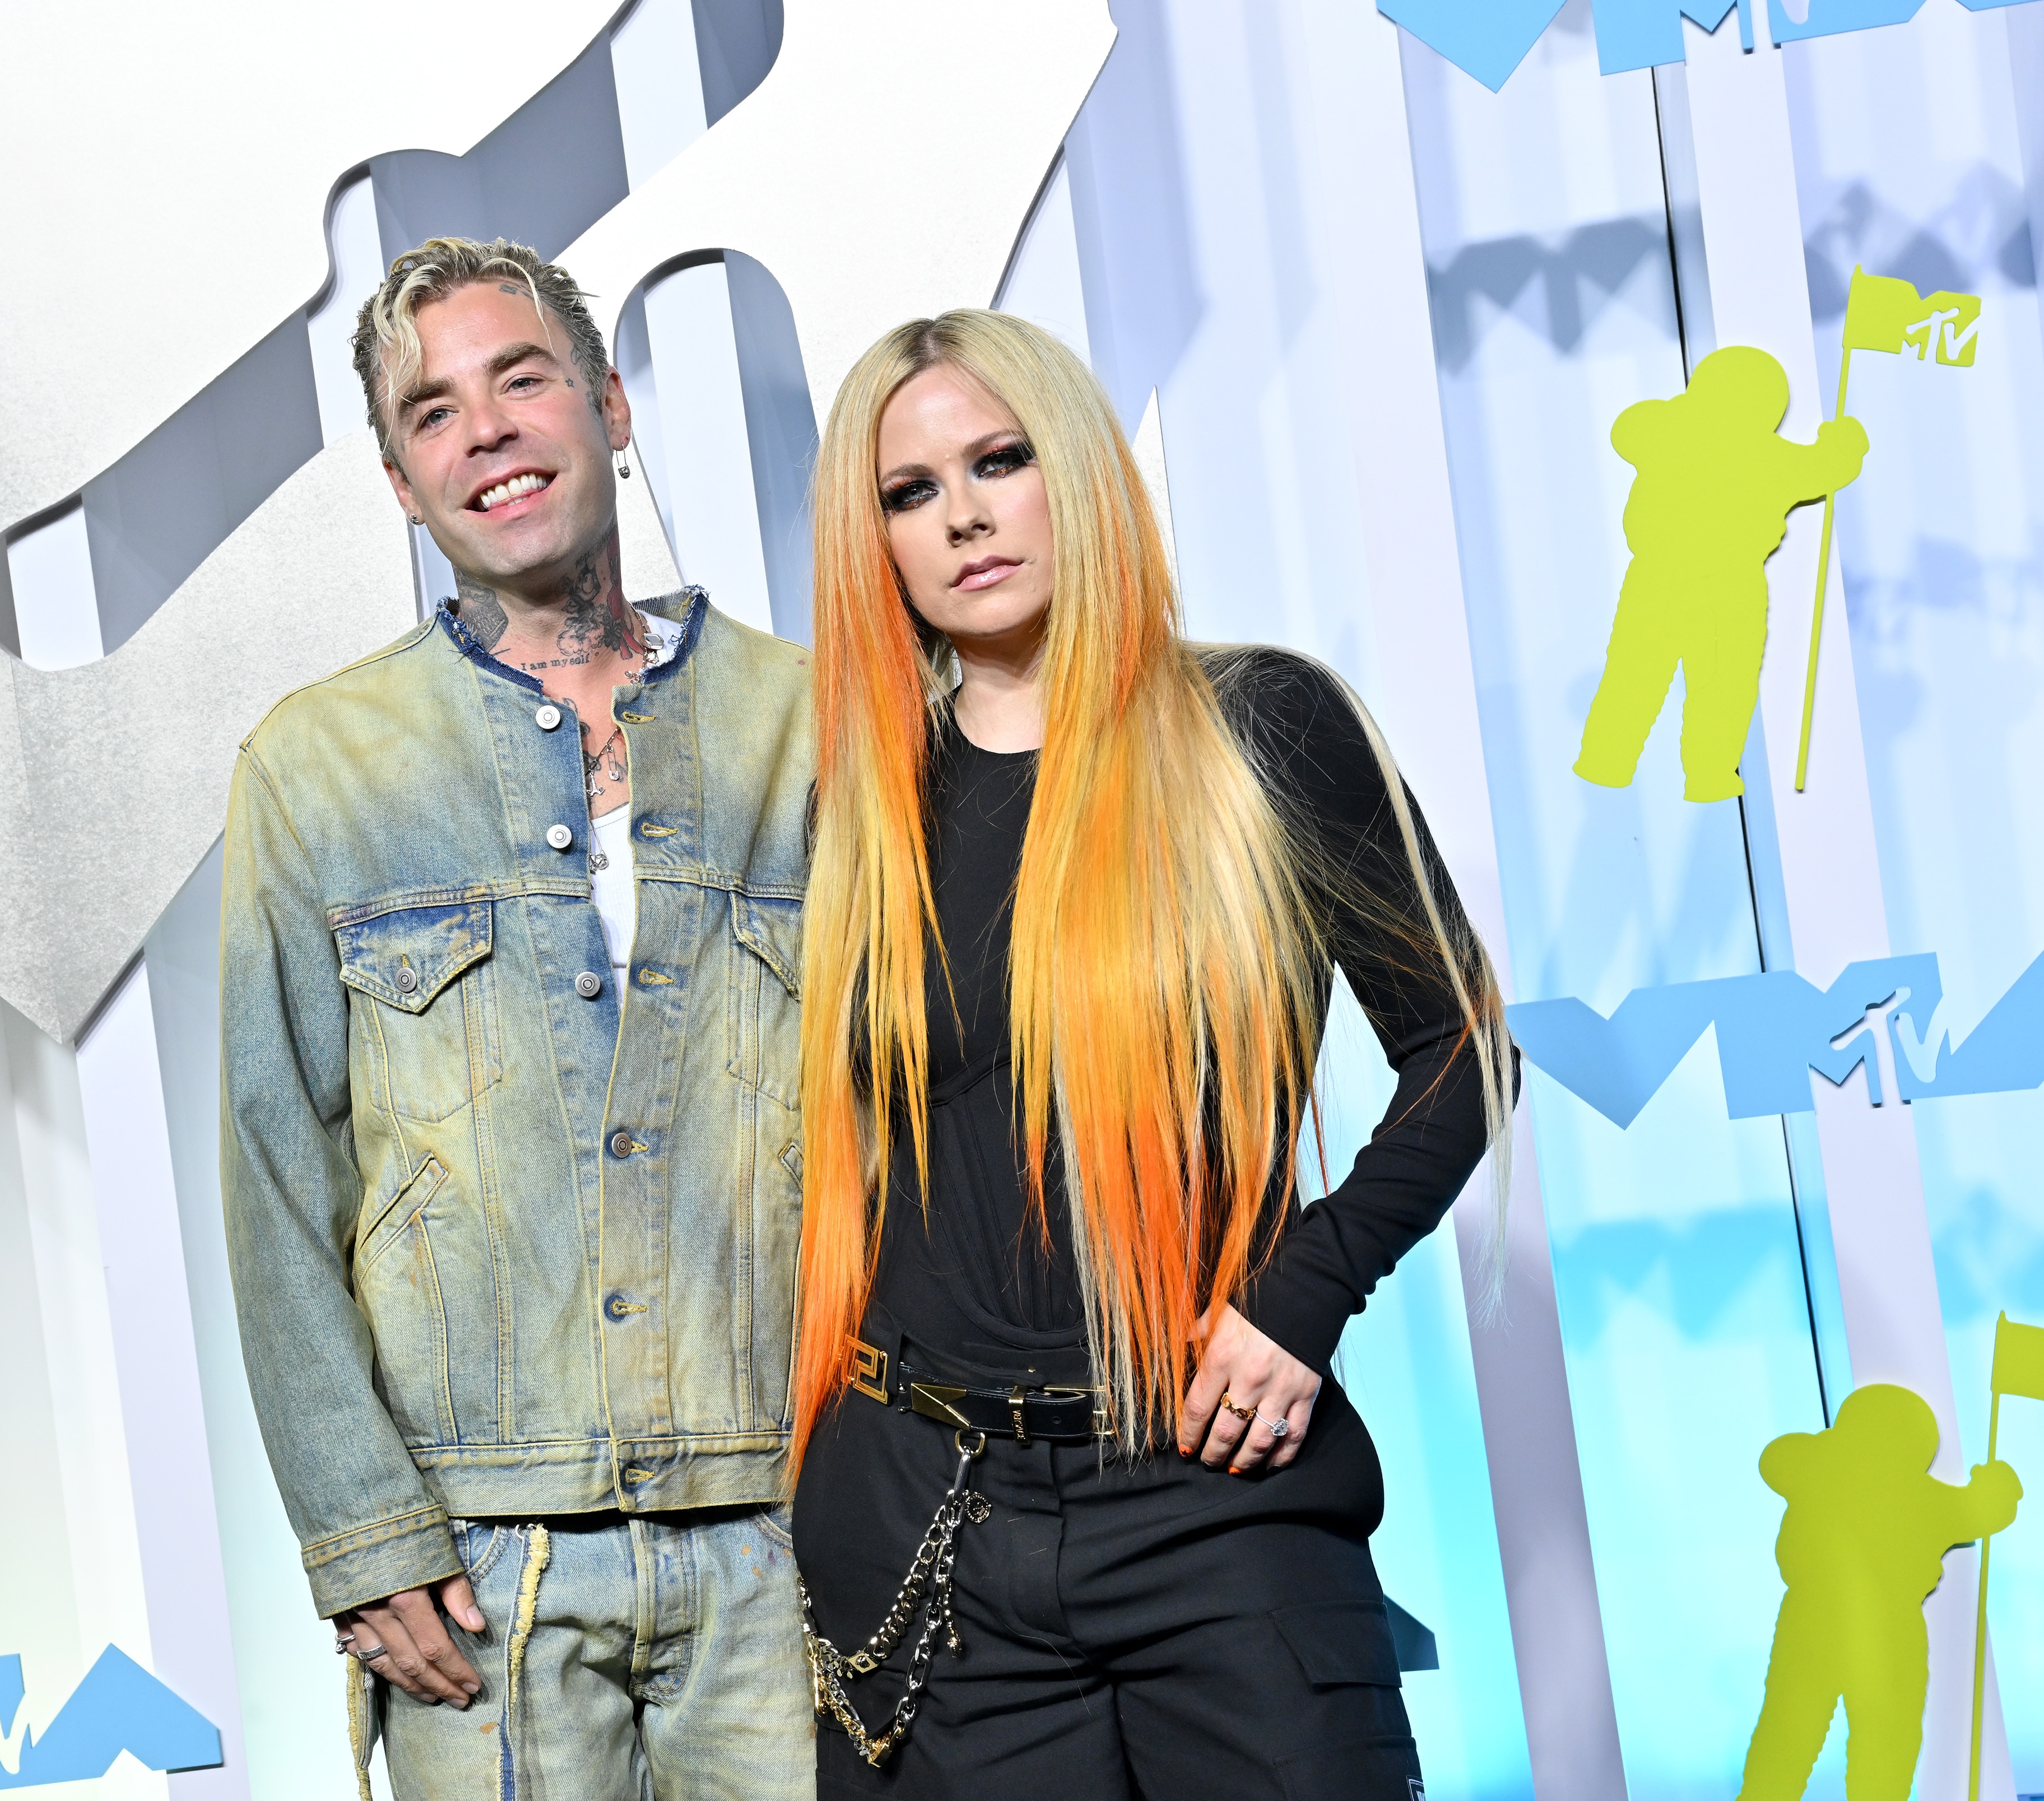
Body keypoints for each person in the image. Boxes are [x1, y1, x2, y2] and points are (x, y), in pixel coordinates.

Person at [787, 309, 1517, 1798]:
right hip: (933, 1524)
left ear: (1076, 467)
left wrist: (1302, 1293)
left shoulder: (1262, 727)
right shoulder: (861, 809)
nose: (964, 515)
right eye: (910, 491)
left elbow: (1461, 1045)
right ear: (876, 543)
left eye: (999, 460)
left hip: (1212, 1483)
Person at [220, 236, 815, 1800]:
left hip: (787, 1522)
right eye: (432, 412)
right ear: (401, 486)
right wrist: (361, 1531)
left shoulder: (813, 723)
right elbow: (277, 1170)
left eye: (520, 378)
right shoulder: (317, 764)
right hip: (480, 1566)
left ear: (609, 406)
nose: (483, 429)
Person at [1574, 345, 1867, 802]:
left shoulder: (1669, 430)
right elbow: (1826, 468)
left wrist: (1684, 411)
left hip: (1670, 575)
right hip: (1724, 584)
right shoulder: (1767, 455)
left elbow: (1627, 428)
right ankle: (1705, 775)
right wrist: (1844, 441)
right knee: (1720, 684)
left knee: (1641, 673)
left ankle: (1609, 761)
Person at [1737, 1384, 2020, 1800]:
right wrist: (1998, 1483)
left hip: (1827, 1622)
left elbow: (1777, 1458)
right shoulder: (1914, 1493)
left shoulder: (1819, 1469)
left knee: (1801, 1740)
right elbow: (1987, 1509)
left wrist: (1997, 1487)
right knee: (1871, 1751)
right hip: (1871, 1628)